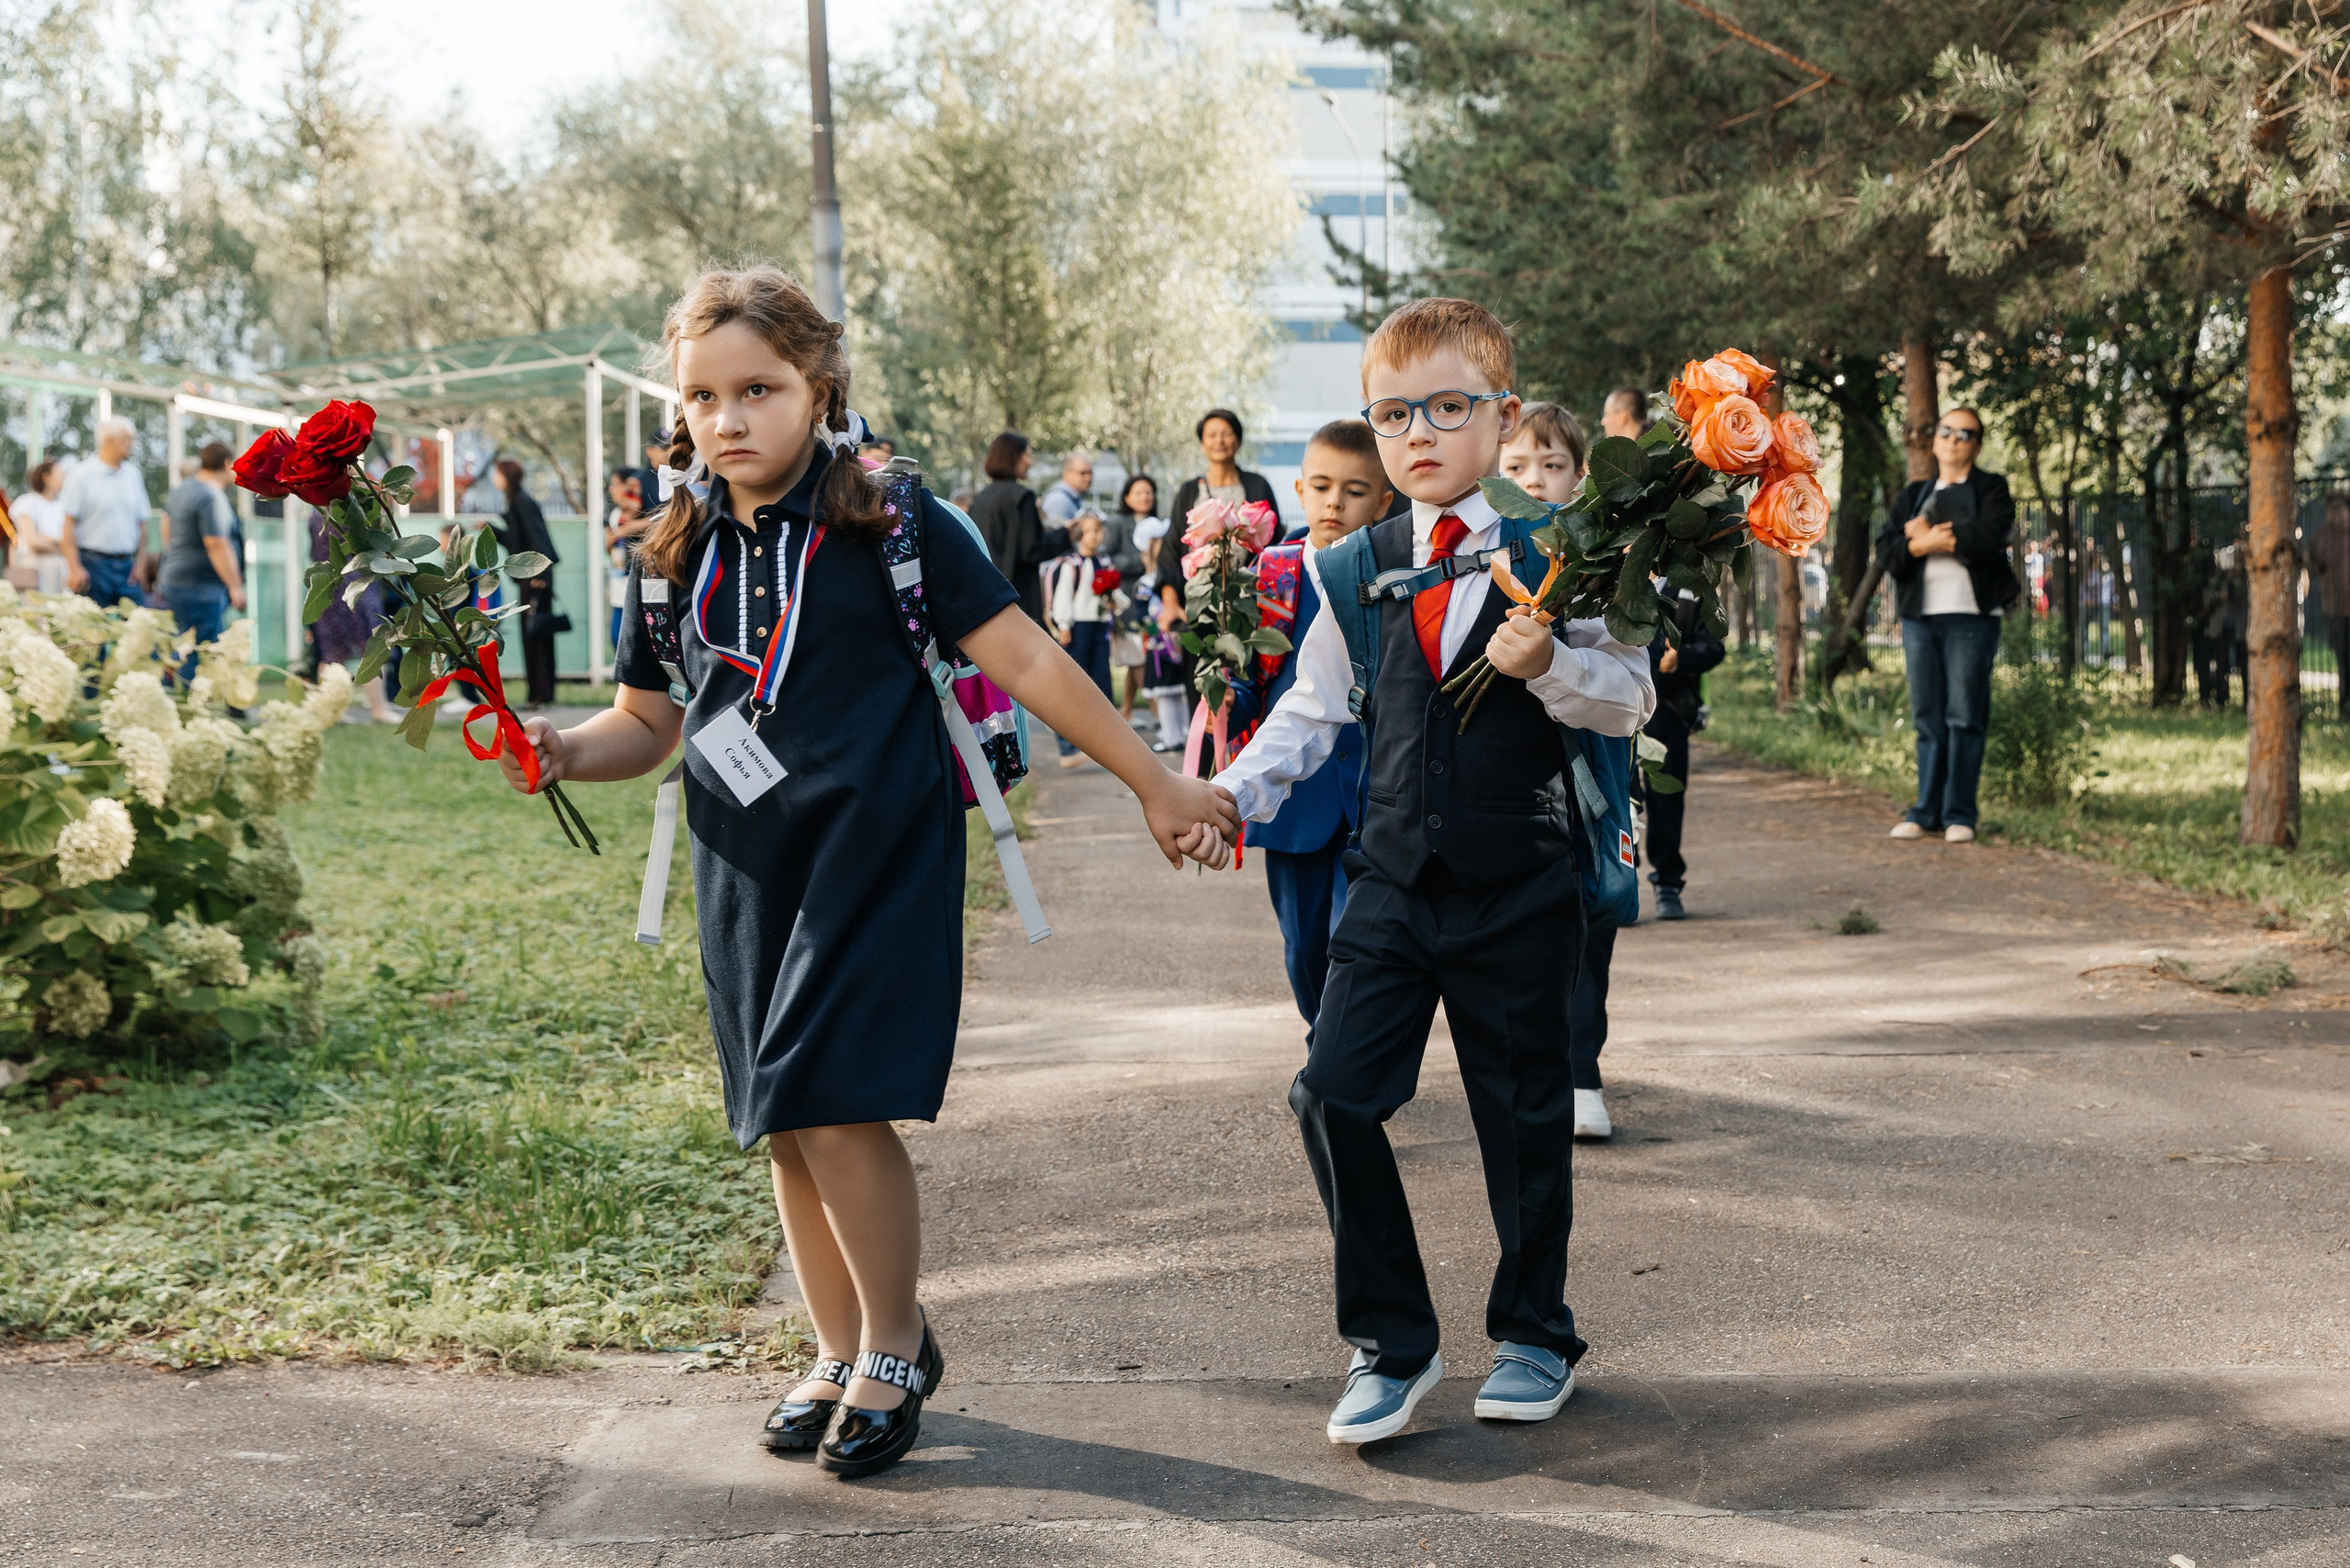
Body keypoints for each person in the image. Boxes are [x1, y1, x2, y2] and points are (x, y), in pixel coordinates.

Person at [498, 265, 1236, 1479]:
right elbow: (647, 722)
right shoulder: (671, 545)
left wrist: (1153, 780)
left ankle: (895, 1345)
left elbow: (1029, 660)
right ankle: (835, 1347)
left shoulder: (893, 519)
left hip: (877, 850)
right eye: (702, 397)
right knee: (784, 1119)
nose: (728, 419)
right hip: (744, 862)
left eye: (758, 389)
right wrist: (567, 750)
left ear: (819, 385)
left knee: (836, 1097)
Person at [1192, 297, 1653, 1443]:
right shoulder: (1352, 565)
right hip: (1392, 880)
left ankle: (1535, 1332)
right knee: (1331, 1093)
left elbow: (1628, 699)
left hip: (1520, 879)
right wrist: (1230, 796)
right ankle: (1391, 1342)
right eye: (1393, 414)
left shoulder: (1563, 552)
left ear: (1502, 417)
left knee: (1524, 1116)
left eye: (1448, 407)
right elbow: (1310, 710)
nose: (1419, 434)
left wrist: (1548, 666)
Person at [1224, 419, 1389, 1029]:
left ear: (1384, 501)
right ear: (1300, 490)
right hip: (1298, 798)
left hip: (1376, 791)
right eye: (1321, 487)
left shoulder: (1396, 574)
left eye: (1354, 490)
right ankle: (1321, 1039)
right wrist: (1224, 691)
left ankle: (1343, 1055)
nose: (1334, 503)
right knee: (1303, 945)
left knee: (1361, 941)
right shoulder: (1272, 576)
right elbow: (1252, 682)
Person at [1873, 407, 2018, 844]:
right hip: (1921, 618)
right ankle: (1924, 812)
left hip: (1972, 617)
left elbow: (1992, 535)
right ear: (1934, 440)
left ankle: (1959, 815)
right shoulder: (1915, 494)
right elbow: (1887, 551)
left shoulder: (1991, 488)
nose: (1954, 439)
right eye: (1946, 430)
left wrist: (1933, 536)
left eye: (1964, 433)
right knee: (1927, 718)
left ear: (1977, 444)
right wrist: (1919, 545)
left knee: (1964, 716)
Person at [1043, 511, 1120, 767]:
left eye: (1098, 530)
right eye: (1089, 531)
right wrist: (1063, 624)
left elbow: (1115, 594)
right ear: (1079, 534)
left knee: (1101, 682)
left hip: (1099, 625)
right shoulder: (1071, 564)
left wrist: (1114, 603)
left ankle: (1106, 742)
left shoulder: (1104, 562)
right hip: (1078, 628)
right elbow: (1063, 596)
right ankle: (1068, 747)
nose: (1095, 536)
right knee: (1072, 685)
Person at [161, 442, 248, 665]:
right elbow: (216, 544)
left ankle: (170, 682)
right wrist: (235, 586)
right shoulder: (210, 496)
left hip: (174, 580)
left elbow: (165, 526)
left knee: (182, 644)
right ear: (227, 464)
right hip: (201, 587)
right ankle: (181, 685)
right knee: (200, 651)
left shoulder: (181, 490)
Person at [968, 431, 1069, 625]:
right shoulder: (1022, 497)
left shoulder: (981, 498)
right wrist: (1066, 534)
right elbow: (1031, 550)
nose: (1030, 462)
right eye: (1027, 455)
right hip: (1017, 597)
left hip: (985, 596)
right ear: (1014, 457)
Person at [58, 418, 154, 607]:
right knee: (94, 622)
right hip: (92, 566)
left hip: (127, 567)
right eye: (127, 439)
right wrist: (74, 568)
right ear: (110, 440)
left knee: (135, 619)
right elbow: (68, 524)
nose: (132, 444)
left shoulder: (133, 475)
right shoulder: (81, 474)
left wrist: (141, 563)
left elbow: (142, 524)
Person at [491, 459, 562, 710]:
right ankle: (542, 693)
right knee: (536, 634)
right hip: (532, 576)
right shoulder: (517, 502)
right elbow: (517, 540)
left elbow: (537, 538)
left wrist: (539, 572)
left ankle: (538, 696)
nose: (494, 478)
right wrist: (491, 530)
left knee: (535, 636)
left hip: (535, 578)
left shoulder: (522, 502)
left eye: (497, 474)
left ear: (506, 476)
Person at [1168, 409, 1279, 530]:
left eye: (1227, 434)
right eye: (1212, 435)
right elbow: (1174, 539)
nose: (1219, 441)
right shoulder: (1188, 491)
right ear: (1202, 444)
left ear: (1239, 442)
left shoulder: (1258, 486)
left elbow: (1276, 535)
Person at [1103, 475, 1155, 722]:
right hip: (1126, 598)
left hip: (1152, 597)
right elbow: (1108, 558)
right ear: (1126, 497)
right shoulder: (1116, 523)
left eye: (1149, 492)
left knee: (1144, 652)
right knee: (1137, 653)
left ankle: (1125, 711)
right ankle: (1157, 710)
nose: (1145, 497)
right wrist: (1141, 560)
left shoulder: (1157, 524)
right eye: (1138, 492)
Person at [2304, 496, 2350, 718]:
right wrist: (2307, 561)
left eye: (2339, 509)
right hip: (2336, 609)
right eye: (2331, 509)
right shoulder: (2321, 536)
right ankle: (2345, 706)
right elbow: (2311, 569)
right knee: (2343, 658)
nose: (2335, 514)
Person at [607, 466, 649, 652]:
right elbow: (612, 550)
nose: (612, 489)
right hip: (618, 584)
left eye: (616, 484)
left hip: (637, 586)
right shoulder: (615, 515)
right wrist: (608, 543)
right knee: (616, 637)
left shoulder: (644, 514)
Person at [12, 461, 69, 594]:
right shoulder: (27, 502)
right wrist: (59, 545)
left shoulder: (62, 506)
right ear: (46, 477)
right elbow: (32, 540)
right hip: (36, 569)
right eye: (60, 475)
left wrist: (49, 541)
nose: (63, 479)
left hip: (61, 569)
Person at [1041, 451, 1092, 530]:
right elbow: (1055, 535)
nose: (1088, 478)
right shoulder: (1059, 500)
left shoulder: (1074, 497)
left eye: (1090, 473)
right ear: (1066, 473)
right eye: (1082, 473)